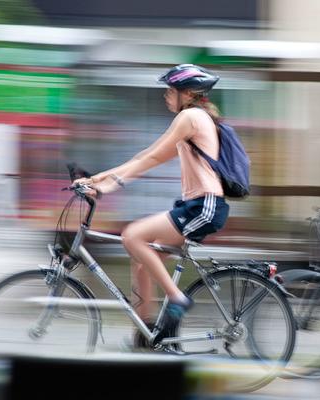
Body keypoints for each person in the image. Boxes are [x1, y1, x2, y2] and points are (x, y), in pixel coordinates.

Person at [72, 64, 230, 343]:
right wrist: (96, 180)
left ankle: (177, 298)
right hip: (194, 206)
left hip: (204, 206)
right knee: (142, 265)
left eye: (171, 90)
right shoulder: (192, 119)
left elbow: (151, 159)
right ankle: (145, 335)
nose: (166, 96)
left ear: (189, 94)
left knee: (132, 236)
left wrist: (110, 186)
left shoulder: (191, 116)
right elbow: (146, 155)